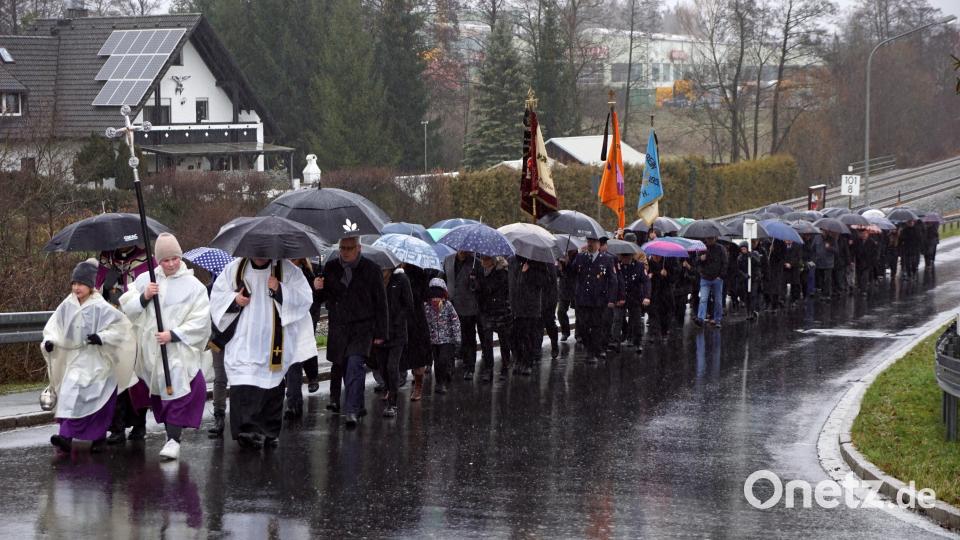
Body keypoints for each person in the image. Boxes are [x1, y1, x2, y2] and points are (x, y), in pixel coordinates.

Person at [120, 233, 211, 460]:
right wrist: (144, 297)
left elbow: (201, 320)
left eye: (174, 258)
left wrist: (175, 334)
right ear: (158, 260)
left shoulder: (194, 286)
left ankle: (174, 440)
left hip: (179, 351)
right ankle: (169, 434)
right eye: (165, 260)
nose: (170, 264)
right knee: (162, 395)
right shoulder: (146, 280)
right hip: (152, 351)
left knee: (178, 390)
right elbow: (128, 310)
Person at [210, 256, 317, 448]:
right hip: (244, 336)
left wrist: (280, 290)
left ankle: (269, 431)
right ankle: (245, 431)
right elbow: (217, 296)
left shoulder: (287, 270)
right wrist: (235, 300)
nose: (259, 255)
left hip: (273, 339)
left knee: (271, 382)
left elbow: (305, 297)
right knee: (243, 380)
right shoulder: (234, 269)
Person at [42, 259, 135, 453]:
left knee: (96, 399)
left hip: (98, 361)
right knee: (69, 394)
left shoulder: (101, 307)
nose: (76, 288)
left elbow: (122, 329)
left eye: (81, 283)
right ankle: (65, 436)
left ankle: (98, 438)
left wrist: (102, 337)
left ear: (91, 286)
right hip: (75, 359)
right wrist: (50, 342)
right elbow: (54, 327)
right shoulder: (66, 306)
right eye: (74, 283)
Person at [315, 236, 388, 428]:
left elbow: (381, 302)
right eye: (342, 248)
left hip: (362, 327)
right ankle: (357, 403)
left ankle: (352, 411)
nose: (345, 252)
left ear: (359, 248)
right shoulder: (330, 268)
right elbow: (322, 298)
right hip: (339, 326)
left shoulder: (371, 269)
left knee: (355, 365)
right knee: (345, 365)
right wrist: (318, 289)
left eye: (349, 248)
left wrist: (381, 332)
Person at [96, 245, 153, 446]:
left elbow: (150, 292)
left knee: (136, 379)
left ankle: (139, 424)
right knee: (114, 377)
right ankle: (117, 427)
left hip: (135, 326)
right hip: (111, 325)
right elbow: (96, 290)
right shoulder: (106, 259)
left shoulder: (146, 260)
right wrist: (106, 285)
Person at [283, 258, 323, 420]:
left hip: (304, 320)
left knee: (298, 358)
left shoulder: (308, 272)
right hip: (284, 322)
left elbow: (312, 298)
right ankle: (293, 399)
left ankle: (294, 401)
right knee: (290, 361)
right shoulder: (279, 270)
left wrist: (317, 288)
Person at [570, 237, 617, 363]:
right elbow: (572, 273)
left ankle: (592, 353)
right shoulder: (581, 257)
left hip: (598, 300)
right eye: (589, 241)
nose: (590, 244)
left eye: (593, 242)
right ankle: (591, 348)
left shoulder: (607, 259)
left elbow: (612, 280)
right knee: (583, 327)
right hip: (582, 299)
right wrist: (567, 262)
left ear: (598, 244)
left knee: (597, 327)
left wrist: (612, 298)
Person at [374, 265, 414, 417]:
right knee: (382, 367)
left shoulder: (401, 280)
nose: (382, 272)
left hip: (397, 333)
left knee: (392, 366)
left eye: (385, 269)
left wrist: (397, 320)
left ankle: (393, 402)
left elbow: (408, 305)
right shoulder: (375, 281)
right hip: (380, 333)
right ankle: (389, 387)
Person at [474, 255, 512, 382]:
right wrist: (474, 281)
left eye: (486, 259)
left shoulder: (501, 273)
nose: (483, 262)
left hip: (500, 310)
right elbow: (478, 292)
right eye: (482, 259)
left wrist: (482, 284)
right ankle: (488, 369)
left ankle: (505, 367)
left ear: (492, 261)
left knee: (504, 340)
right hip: (486, 311)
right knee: (487, 341)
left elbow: (494, 289)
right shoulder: (480, 272)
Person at [444, 251, 480, 380]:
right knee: (450, 338)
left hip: (468, 307)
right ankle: (449, 367)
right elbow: (443, 279)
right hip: (450, 305)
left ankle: (469, 366)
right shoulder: (448, 260)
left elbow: (480, 287)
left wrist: (474, 281)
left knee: (468, 337)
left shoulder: (476, 263)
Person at [401, 264, 434, 401]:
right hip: (401, 319)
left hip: (416, 318)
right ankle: (390, 387)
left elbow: (426, 295)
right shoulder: (397, 274)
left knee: (417, 354)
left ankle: (418, 385)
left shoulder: (421, 274)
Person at [423, 278, 461, 394]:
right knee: (437, 362)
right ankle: (440, 382)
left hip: (447, 339)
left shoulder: (447, 305)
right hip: (433, 340)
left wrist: (457, 337)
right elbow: (424, 322)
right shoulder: (426, 306)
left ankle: (444, 378)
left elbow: (455, 321)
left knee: (443, 359)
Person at [695, 236, 726, 327]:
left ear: (715, 239)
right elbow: (697, 263)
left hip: (717, 278)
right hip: (705, 278)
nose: (709, 240)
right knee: (703, 299)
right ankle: (700, 318)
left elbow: (725, 262)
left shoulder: (720, 249)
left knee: (718, 300)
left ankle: (717, 319)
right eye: (708, 239)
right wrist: (700, 259)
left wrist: (720, 276)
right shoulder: (702, 249)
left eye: (711, 239)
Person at [556, 248, 578, 342]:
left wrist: (568, 262)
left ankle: (579, 334)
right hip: (564, 289)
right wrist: (560, 267)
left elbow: (575, 270)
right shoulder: (560, 255)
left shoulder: (577, 256)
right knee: (561, 311)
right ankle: (565, 332)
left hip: (575, 288)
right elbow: (557, 273)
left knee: (579, 314)